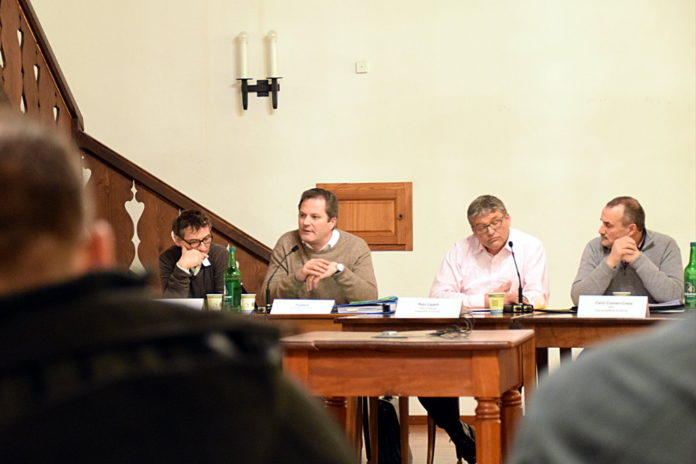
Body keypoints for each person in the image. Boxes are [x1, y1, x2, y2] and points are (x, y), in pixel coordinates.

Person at [0, 111, 355, 463]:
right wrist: (184, 271)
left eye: (205, 239)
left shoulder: (220, 256)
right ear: (99, 252)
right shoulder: (239, 380)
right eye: (194, 241)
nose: (202, 246)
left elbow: (225, 296)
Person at [422, 194, 549, 464]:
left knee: (507, 377)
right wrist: (488, 300)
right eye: (481, 227)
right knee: (425, 375)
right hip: (462, 334)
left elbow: (538, 297)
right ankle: (463, 437)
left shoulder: (529, 247)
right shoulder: (460, 250)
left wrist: (513, 301)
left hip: (510, 334)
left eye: (495, 223)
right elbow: (439, 297)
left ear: (507, 218)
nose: (490, 232)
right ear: (473, 229)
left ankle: (502, 446)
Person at [509, 314, 696, 464]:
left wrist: (641, 272)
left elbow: (667, 292)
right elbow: (582, 292)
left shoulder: (569, 395)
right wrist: (607, 273)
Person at [262, 187, 378, 305]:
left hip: (339, 316)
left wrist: (340, 271)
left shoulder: (355, 246)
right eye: (302, 215)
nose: (306, 222)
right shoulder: (287, 243)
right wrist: (297, 277)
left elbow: (370, 299)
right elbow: (265, 300)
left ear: (332, 222)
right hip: (297, 317)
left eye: (315, 217)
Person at [570, 196, 683, 305]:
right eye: (602, 223)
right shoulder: (594, 247)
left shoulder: (666, 245)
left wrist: (638, 260)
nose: (601, 230)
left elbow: (674, 296)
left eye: (608, 225)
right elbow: (578, 299)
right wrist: (610, 261)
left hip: (652, 319)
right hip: (606, 318)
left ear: (631, 229)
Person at [159, 209, 228, 298]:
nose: (203, 248)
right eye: (194, 242)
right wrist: (182, 267)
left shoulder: (220, 254)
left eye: (206, 239)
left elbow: (225, 300)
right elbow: (171, 303)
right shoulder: (167, 258)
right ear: (178, 240)